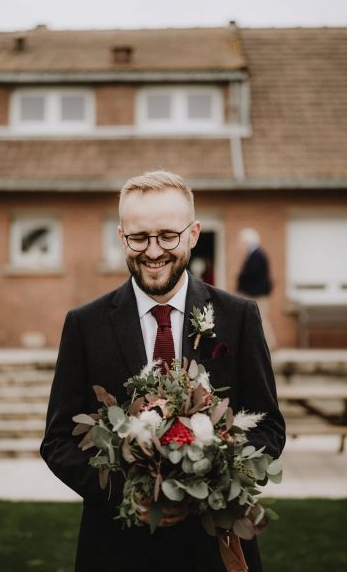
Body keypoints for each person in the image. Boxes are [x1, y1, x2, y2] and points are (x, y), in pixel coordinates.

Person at [40, 170, 285, 572]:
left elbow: (268, 425)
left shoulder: (239, 316)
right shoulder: (85, 324)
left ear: (193, 233)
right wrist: (127, 495)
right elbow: (58, 441)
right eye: (139, 237)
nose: (153, 251)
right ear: (121, 238)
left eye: (168, 235)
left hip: (213, 548)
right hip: (117, 551)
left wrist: (209, 483)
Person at [236, 228, 278, 351]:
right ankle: (267, 345)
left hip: (258, 295)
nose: (241, 245)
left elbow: (252, 274)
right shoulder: (255, 254)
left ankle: (270, 345)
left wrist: (241, 283)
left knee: (261, 320)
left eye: (242, 242)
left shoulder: (257, 255)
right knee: (260, 319)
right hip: (257, 294)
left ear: (248, 242)